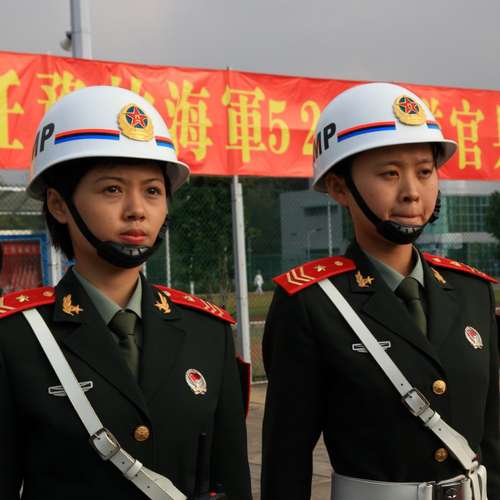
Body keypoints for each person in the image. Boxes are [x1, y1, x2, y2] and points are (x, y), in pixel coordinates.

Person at [0, 86, 252, 500]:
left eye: (152, 191)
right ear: (59, 205)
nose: (137, 209)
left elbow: (231, 480)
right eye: (112, 189)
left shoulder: (208, 331)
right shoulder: (15, 337)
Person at [261, 82, 499, 500]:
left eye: (424, 171)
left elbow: (493, 440)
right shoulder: (313, 304)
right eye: (390, 173)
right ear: (339, 188)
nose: (412, 191)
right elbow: (286, 460)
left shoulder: (472, 291)